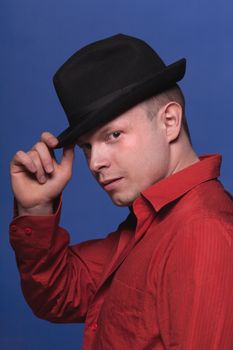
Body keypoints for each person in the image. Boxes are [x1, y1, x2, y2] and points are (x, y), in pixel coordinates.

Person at [9, 34, 233, 349]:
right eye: (87, 146)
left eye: (113, 135)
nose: (96, 163)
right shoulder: (152, 222)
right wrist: (35, 210)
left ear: (169, 121)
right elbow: (59, 295)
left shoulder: (201, 231)